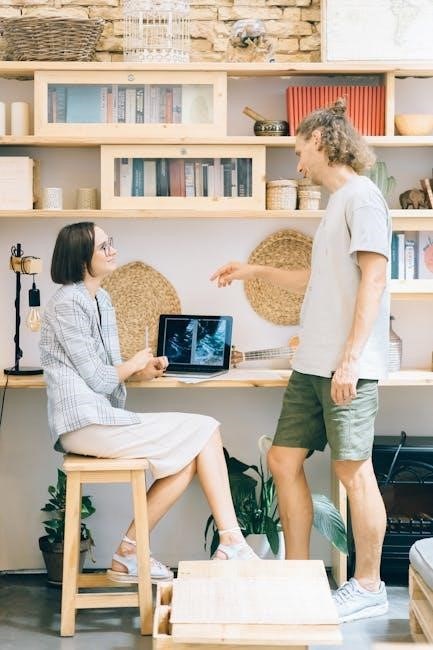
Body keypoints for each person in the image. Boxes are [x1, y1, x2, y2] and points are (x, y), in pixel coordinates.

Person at [211, 98, 391, 623]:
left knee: (353, 471)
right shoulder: (335, 206)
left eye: (298, 150)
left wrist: (350, 360)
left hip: (345, 366)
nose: (297, 162)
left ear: (319, 141)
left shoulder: (363, 198)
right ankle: (297, 575)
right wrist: (254, 271)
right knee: (283, 460)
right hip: (311, 364)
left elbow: (375, 278)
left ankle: (369, 585)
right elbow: (317, 282)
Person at [40, 221, 258, 584]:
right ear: (81, 260)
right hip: (83, 424)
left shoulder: (101, 299)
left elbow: (108, 371)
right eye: (103, 247)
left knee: (188, 455)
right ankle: (232, 541)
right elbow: (98, 378)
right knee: (206, 429)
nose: (113, 250)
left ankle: (129, 552)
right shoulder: (67, 303)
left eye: (111, 242)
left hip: (99, 417)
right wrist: (133, 363)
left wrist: (142, 371)